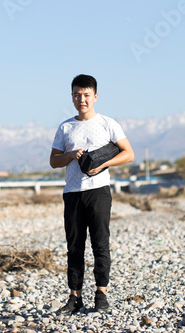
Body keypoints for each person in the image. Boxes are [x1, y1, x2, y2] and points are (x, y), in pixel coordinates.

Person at [50, 74, 134, 315]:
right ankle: (75, 298)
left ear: (95, 96)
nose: (81, 99)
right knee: (74, 246)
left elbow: (129, 153)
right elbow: (53, 161)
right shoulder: (65, 127)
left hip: (98, 192)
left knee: (100, 244)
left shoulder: (108, 123)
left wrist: (103, 165)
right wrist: (70, 155)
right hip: (73, 193)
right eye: (77, 95)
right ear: (72, 97)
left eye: (86, 95)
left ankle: (101, 294)